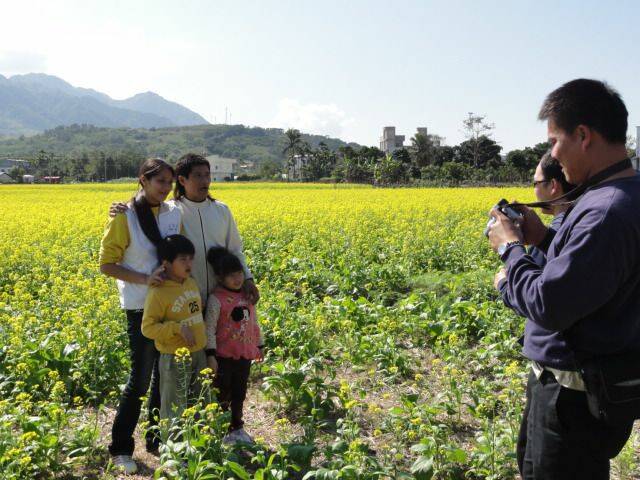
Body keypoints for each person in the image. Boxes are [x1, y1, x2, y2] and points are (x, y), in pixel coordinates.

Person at [487, 78, 640, 479]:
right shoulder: (620, 195)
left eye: (555, 141)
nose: (554, 153)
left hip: (572, 399)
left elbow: (549, 304)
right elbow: (596, 273)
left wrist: (510, 250)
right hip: (581, 388)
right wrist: (544, 237)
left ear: (583, 135)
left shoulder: (605, 210)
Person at [99, 158, 181, 474]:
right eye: (160, 181)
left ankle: (156, 440)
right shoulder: (126, 216)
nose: (166, 188)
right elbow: (107, 265)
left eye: (169, 182)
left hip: (169, 305)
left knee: (163, 374)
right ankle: (120, 448)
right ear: (143, 180)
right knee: (141, 379)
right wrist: (146, 279)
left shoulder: (175, 213)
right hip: (140, 306)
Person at [494, 152, 573, 474]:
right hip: (555, 374)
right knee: (532, 460)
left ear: (554, 185)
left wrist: (506, 272)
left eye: (536, 183)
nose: (534, 190)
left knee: (552, 467)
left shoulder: (584, 220)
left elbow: (544, 301)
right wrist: (540, 237)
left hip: (566, 382)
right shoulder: (576, 221)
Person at [110, 153, 259, 306]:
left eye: (207, 175)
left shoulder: (222, 210)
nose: (205, 181)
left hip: (222, 297)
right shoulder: (171, 211)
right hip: (186, 299)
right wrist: (124, 207)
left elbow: (235, 249)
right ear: (182, 180)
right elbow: (146, 206)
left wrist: (247, 278)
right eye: (198, 176)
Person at [141, 234, 207, 420]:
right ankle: (174, 448)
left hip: (198, 352)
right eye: (183, 259)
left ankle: (200, 446)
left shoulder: (191, 283)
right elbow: (148, 328)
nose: (189, 264)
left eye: (191, 258)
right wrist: (176, 328)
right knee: (174, 409)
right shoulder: (158, 292)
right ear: (166, 263)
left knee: (201, 404)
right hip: (175, 357)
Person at [204, 247, 264, 444]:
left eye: (238, 273)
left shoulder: (247, 295)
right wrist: (210, 354)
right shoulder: (216, 299)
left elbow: (254, 321)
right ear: (220, 278)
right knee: (223, 393)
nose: (237, 278)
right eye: (230, 275)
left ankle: (237, 427)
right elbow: (209, 328)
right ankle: (222, 429)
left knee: (240, 393)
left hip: (244, 353)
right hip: (223, 355)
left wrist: (260, 344)